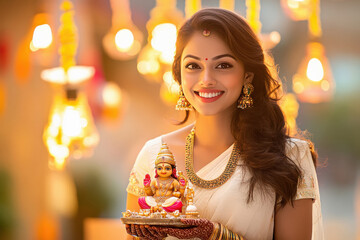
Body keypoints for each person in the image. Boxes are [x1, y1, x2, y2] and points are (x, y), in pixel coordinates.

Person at [125, 8, 324, 240]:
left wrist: (215, 233)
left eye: (223, 65)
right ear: (178, 74)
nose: (206, 79)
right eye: (193, 66)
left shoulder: (289, 157)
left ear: (247, 76)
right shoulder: (152, 155)